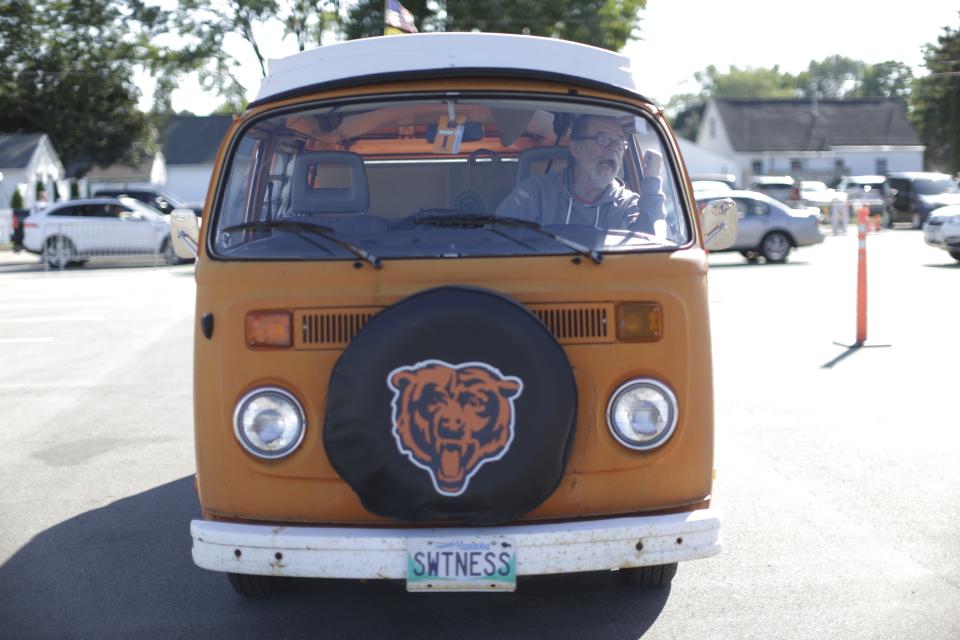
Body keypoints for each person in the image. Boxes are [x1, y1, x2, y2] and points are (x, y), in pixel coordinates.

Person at [495, 114, 665, 234]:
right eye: (603, 139)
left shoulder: (627, 206)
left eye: (620, 142)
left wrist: (651, 183)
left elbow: (655, 251)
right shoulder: (534, 194)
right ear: (575, 148)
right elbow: (496, 245)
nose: (613, 148)